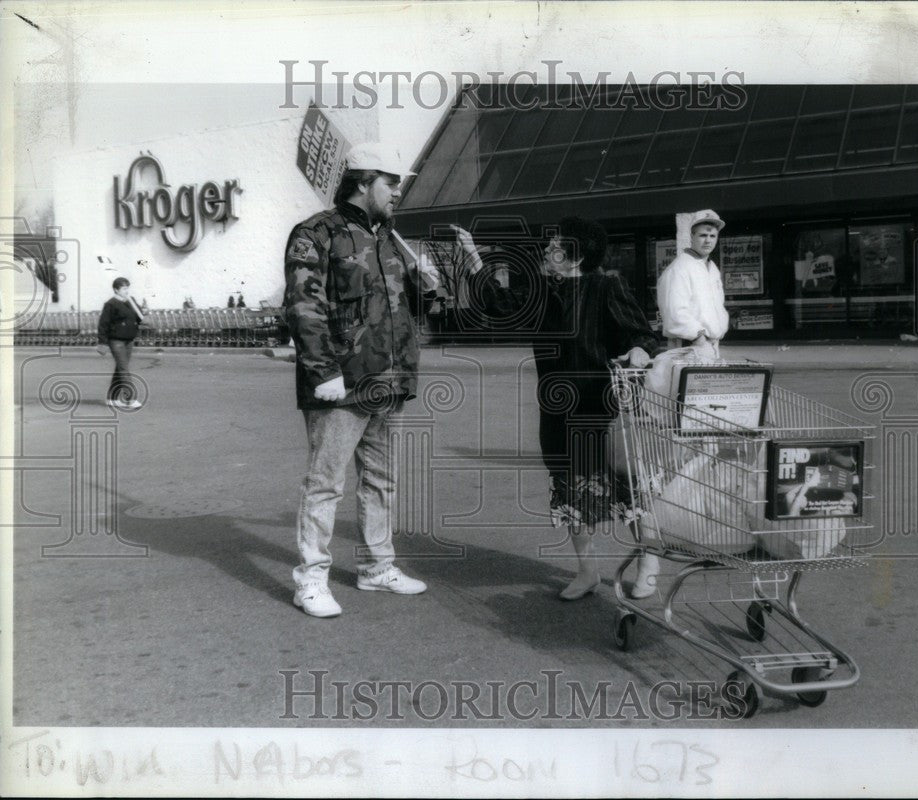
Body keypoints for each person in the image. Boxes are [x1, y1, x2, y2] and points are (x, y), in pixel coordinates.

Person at [456, 217, 660, 600]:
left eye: (556, 244)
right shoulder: (543, 291)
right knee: (570, 491)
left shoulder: (605, 286)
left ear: (575, 253)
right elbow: (500, 304)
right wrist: (473, 259)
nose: (548, 249)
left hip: (602, 409)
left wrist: (640, 350)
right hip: (558, 411)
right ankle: (587, 571)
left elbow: (643, 333)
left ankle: (649, 560)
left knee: (627, 487)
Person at [283, 141, 439, 618]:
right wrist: (322, 370)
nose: (397, 193)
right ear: (364, 182)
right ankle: (311, 579)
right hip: (341, 382)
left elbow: (402, 312)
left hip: (386, 379)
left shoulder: (390, 237)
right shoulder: (315, 233)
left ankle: (376, 567)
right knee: (324, 483)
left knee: (380, 480)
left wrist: (426, 289)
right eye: (391, 183)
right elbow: (303, 305)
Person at [656, 209, 729, 358]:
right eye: (703, 235)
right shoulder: (680, 268)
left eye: (712, 236)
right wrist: (699, 338)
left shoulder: (711, 267)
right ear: (692, 236)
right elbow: (675, 312)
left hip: (710, 346)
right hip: (690, 346)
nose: (708, 240)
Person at [97, 277, 144, 409]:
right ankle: (130, 399)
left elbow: (138, 316)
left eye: (127, 288)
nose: (126, 291)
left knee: (120, 368)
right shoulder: (110, 304)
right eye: (124, 288)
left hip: (129, 339)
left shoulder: (131, 301)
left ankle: (112, 398)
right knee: (124, 368)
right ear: (116, 290)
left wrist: (142, 317)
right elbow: (103, 324)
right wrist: (102, 342)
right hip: (116, 340)